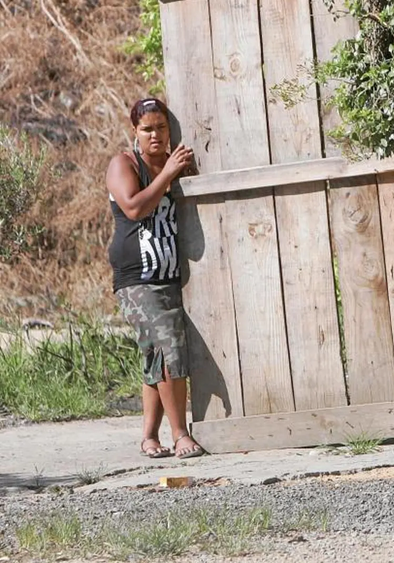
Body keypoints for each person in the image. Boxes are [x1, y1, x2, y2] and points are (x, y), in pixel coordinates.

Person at [106, 97, 203, 459]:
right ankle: (180, 434)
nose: (155, 135)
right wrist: (167, 173)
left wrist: (176, 169)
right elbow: (133, 207)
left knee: (155, 353)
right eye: (147, 129)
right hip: (137, 279)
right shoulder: (124, 164)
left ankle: (149, 437)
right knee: (166, 348)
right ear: (135, 131)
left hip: (171, 275)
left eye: (161, 127)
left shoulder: (175, 163)